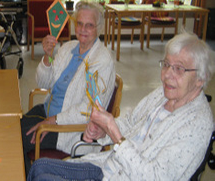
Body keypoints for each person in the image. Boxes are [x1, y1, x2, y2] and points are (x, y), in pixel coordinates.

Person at [27, 32, 215, 181]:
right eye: (166, 65)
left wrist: (115, 135)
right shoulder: (162, 94)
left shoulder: (197, 124)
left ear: (201, 79)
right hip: (109, 167)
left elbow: (156, 177)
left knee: (43, 177)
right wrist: (103, 131)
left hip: (123, 175)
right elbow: (130, 122)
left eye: (179, 69)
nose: (166, 75)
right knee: (39, 167)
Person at [21, 1, 116, 174]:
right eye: (79, 23)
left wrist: (53, 121)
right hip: (48, 113)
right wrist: (47, 57)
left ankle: (29, 176)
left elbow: (89, 109)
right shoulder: (68, 48)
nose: (82, 29)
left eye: (89, 25)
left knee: (17, 140)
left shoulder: (102, 60)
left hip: (68, 129)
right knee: (12, 129)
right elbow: (44, 83)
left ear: (99, 28)